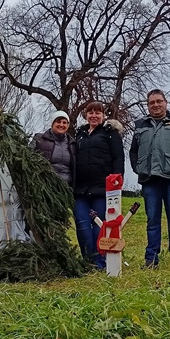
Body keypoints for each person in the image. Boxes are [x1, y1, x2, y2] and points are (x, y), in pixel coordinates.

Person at [129, 89, 170, 266]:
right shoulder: (140, 125)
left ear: (166, 103)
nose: (156, 105)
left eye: (159, 101)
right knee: (152, 219)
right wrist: (137, 168)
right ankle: (151, 258)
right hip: (149, 179)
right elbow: (133, 151)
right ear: (148, 105)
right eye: (152, 102)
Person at [73, 102, 124, 270]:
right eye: (90, 112)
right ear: (86, 115)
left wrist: (117, 179)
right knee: (82, 223)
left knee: (99, 225)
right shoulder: (80, 134)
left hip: (102, 189)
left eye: (97, 113)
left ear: (103, 115)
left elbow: (118, 157)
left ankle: (100, 261)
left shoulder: (110, 133)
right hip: (80, 189)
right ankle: (87, 259)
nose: (94, 116)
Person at [31, 110, 76, 187]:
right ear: (52, 123)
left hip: (67, 187)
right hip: (45, 187)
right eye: (58, 122)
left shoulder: (72, 143)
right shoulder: (39, 139)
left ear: (68, 125)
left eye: (64, 123)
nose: (61, 125)